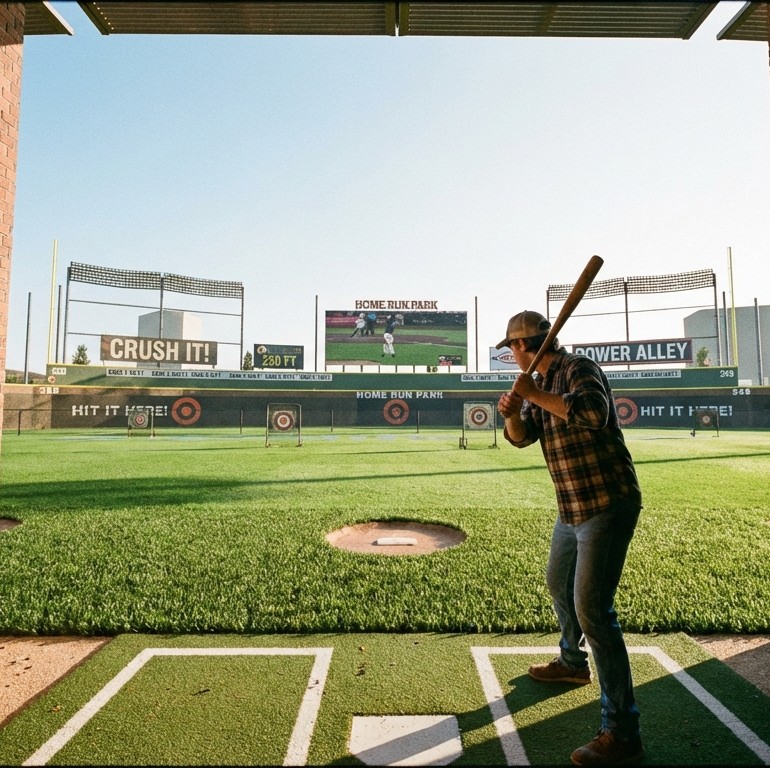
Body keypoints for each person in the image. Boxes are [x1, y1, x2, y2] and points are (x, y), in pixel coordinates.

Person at [495, 310, 643, 766]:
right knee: (558, 583)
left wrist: (533, 394)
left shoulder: (577, 368)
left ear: (522, 346)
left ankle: (622, 732)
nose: (511, 355)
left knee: (593, 612)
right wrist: (515, 413)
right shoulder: (539, 382)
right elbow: (522, 438)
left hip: (606, 502)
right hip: (572, 508)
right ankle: (572, 664)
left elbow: (595, 414)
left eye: (511, 348)